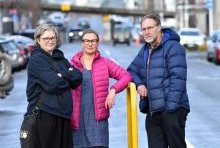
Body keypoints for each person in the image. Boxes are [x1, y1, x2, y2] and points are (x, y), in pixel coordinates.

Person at [127, 14, 190, 148]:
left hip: (172, 110)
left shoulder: (173, 47)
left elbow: (178, 78)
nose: (147, 32)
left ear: (159, 28)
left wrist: (170, 109)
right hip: (153, 111)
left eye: (150, 28)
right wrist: (139, 84)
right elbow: (131, 70)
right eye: (144, 29)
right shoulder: (145, 50)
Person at [22, 24, 82, 148]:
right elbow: (54, 84)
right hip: (45, 116)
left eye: (53, 38)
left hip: (63, 116)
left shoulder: (59, 57)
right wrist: (66, 76)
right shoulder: (37, 59)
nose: (50, 41)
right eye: (46, 38)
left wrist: (62, 75)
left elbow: (77, 78)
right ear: (38, 40)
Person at [70, 29, 132, 148]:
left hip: (98, 124)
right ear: (82, 43)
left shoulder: (105, 63)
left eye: (93, 41)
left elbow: (126, 76)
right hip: (77, 123)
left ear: (98, 43)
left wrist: (113, 90)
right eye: (87, 41)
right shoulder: (72, 65)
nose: (90, 43)